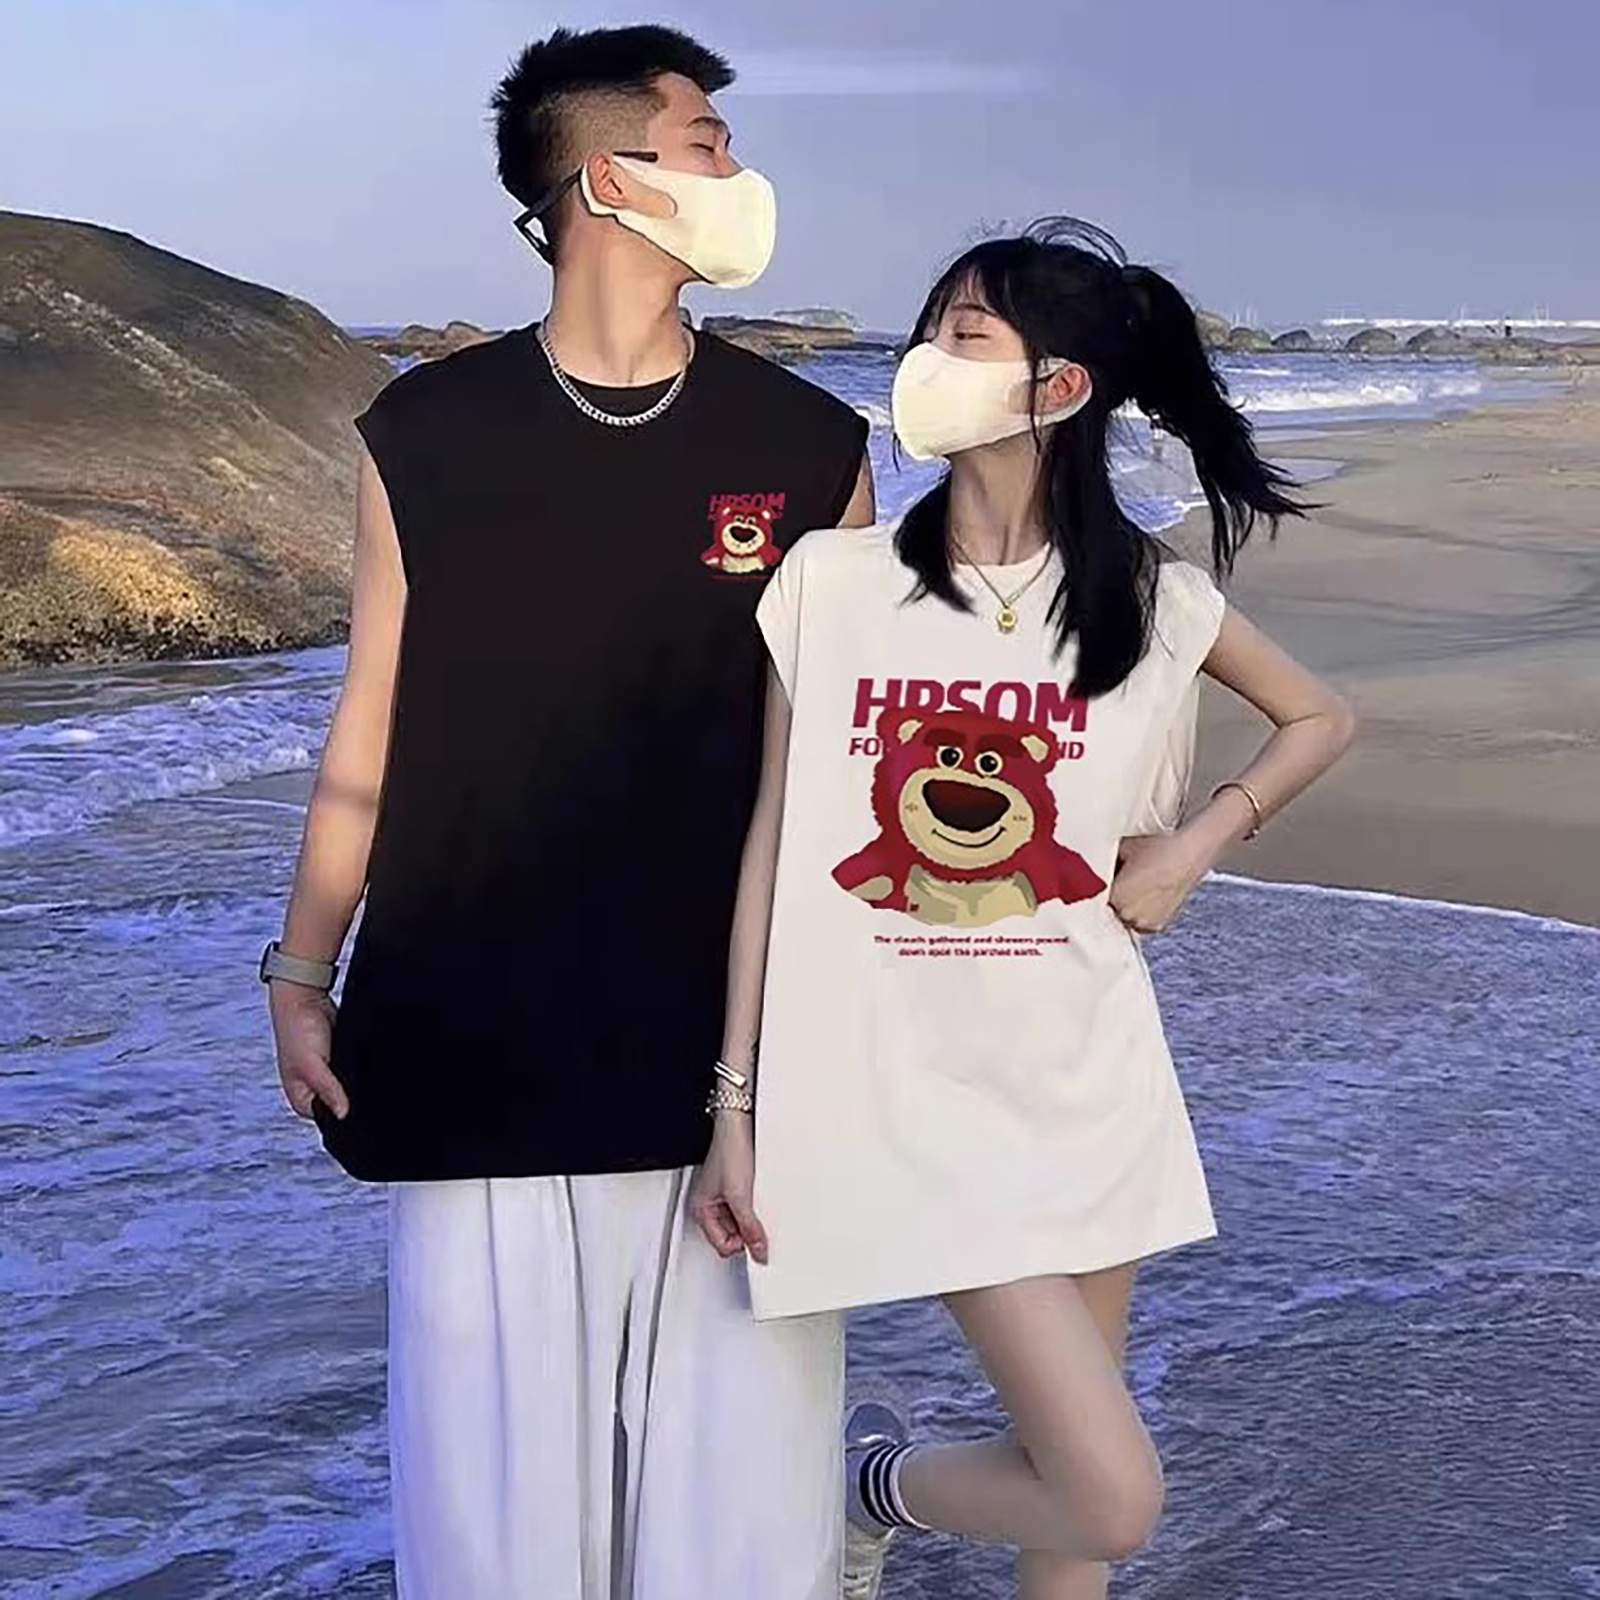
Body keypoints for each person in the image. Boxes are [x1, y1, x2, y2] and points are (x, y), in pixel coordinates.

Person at [263, 24, 873, 1600]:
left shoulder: (812, 448)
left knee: (743, 1540)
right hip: (474, 1030)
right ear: (608, 180)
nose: (738, 174)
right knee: (495, 1538)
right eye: (708, 143)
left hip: (728, 1066)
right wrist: (301, 967)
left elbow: (834, 776)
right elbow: (369, 725)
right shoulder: (426, 433)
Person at [690, 218, 1355, 1600]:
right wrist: (733, 1105)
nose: (923, 359)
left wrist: (1194, 845)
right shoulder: (831, 583)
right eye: (929, 329)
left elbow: (1319, 716)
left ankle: (875, 1496)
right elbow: (771, 842)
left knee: (1070, 1499)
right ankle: (870, 1487)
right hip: (904, 1094)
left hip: (1081, 1079)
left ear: (1059, 387)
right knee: (1112, 1497)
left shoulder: (1151, 597)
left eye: (964, 334)